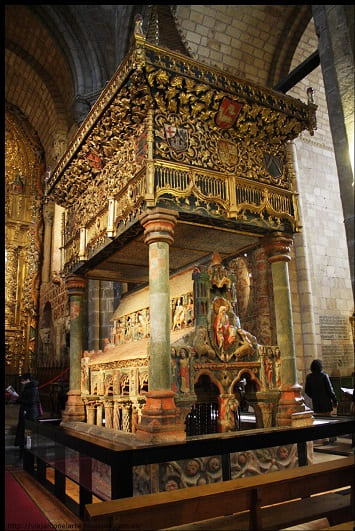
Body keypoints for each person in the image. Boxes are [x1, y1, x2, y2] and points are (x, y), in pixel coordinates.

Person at [14, 373, 40, 458]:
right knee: (23, 433)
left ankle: (27, 454)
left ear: (27, 380)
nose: (22, 382)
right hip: (25, 413)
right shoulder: (28, 387)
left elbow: (31, 401)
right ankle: (23, 453)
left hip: (29, 415)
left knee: (27, 433)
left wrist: (20, 400)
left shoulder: (32, 388)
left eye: (23, 381)